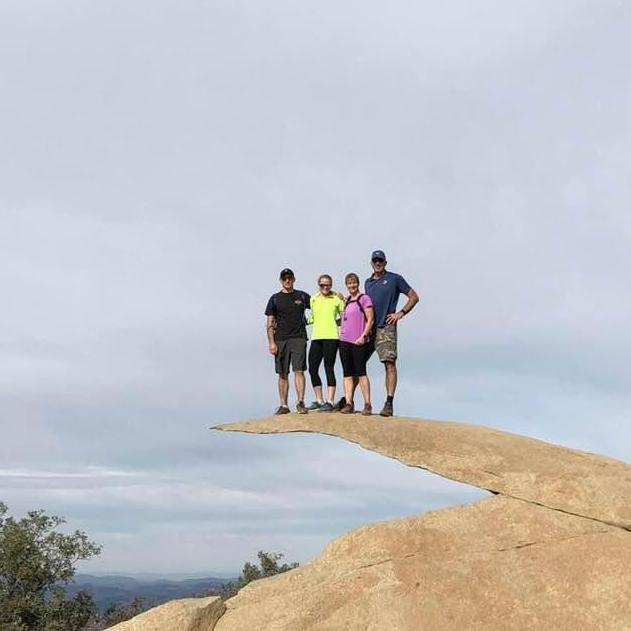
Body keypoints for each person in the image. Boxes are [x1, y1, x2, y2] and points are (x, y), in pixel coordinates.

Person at [364, 250, 419, 417]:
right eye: (375, 261)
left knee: (389, 363)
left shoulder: (394, 279)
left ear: (385, 262)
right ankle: (352, 400)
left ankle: (389, 402)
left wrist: (400, 313)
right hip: (369, 327)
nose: (378, 263)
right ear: (371, 263)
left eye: (380, 260)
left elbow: (414, 296)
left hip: (386, 327)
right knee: (356, 363)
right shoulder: (368, 282)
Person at [265, 268, 311, 415]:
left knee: (299, 370)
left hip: (298, 337)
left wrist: (337, 296)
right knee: (282, 373)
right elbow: (270, 322)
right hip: (280, 339)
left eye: (289, 278)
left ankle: (300, 402)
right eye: (284, 278)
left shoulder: (302, 296)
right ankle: (284, 405)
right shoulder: (275, 299)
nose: (287, 281)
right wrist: (271, 342)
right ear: (280, 280)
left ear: (294, 279)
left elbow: (319, 303)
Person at [306, 274, 344, 412]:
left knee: (329, 367)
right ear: (319, 285)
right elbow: (313, 317)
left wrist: (336, 323)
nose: (325, 287)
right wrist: (302, 321)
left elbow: (345, 315)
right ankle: (319, 400)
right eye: (322, 285)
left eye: (328, 284)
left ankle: (330, 401)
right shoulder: (313, 298)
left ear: (331, 285)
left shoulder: (337, 298)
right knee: (312, 368)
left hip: (332, 337)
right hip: (316, 337)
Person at [338, 273, 375, 415]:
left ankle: (367, 404)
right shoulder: (347, 301)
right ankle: (348, 403)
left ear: (358, 283)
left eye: (354, 283)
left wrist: (364, 335)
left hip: (358, 340)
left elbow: (370, 319)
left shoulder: (364, 299)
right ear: (346, 285)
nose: (352, 286)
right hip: (344, 340)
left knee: (361, 372)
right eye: (349, 283)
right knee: (347, 373)